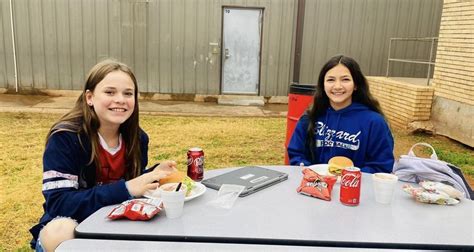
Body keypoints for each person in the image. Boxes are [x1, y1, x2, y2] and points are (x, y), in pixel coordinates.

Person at [29, 59, 176, 251]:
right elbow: (59, 203)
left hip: (116, 223)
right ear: (89, 97)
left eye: (128, 93)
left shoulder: (137, 138)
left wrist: (154, 174)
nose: (120, 100)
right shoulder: (66, 138)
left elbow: (130, 184)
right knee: (60, 230)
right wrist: (128, 188)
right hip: (75, 226)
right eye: (110, 92)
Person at [287, 55, 394, 173]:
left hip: (355, 188)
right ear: (323, 85)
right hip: (315, 186)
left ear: (356, 85)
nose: (337, 86)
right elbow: (296, 154)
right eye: (331, 80)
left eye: (345, 79)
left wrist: (348, 177)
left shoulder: (374, 122)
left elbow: (381, 165)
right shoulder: (310, 117)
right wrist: (311, 172)